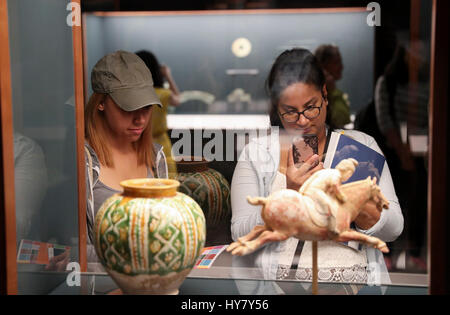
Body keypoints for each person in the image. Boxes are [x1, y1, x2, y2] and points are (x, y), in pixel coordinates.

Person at [230, 48, 403, 285]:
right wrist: (287, 197)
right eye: (290, 112)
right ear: (277, 109)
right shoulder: (258, 153)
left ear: (325, 94)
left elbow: (394, 228)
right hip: (277, 287)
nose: (302, 121)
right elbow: (240, 232)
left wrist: (346, 199)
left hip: (349, 286)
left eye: (311, 107)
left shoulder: (359, 146)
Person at [85, 50, 168, 263]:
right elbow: (70, 249)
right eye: (128, 107)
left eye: (147, 107)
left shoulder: (154, 156)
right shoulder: (83, 162)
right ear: (101, 102)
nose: (140, 119)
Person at [374, 44, 429, 272]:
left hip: (418, 150)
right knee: (388, 200)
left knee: (416, 202)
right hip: (393, 151)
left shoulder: (424, 84)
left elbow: (427, 116)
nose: (420, 61)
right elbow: (384, 118)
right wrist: (400, 148)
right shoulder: (387, 82)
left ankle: (414, 252)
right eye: (415, 56)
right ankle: (386, 252)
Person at [136, 50, 181, 179]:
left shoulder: (133, 95)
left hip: (137, 144)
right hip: (161, 144)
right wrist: (167, 75)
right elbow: (177, 99)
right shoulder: (162, 94)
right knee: (167, 181)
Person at [315, 44, 351, 129]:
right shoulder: (319, 93)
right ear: (322, 66)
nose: (341, 67)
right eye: (336, 62)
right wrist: (332, 91)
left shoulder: (330, 89)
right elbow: (342, 118)